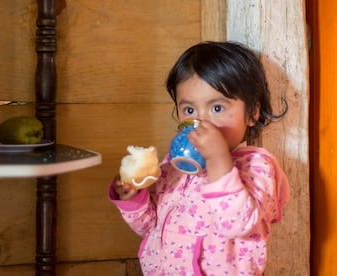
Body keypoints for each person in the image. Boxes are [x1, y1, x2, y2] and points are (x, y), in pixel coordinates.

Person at [109, 41, 290, 275]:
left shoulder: (257, 166)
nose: (200, 122)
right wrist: (134, 198)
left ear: (253, 112)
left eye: (217, 108)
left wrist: (217, 159)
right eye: (190, 110)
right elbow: (149, 227)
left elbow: (237, 223)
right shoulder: (174, 167)